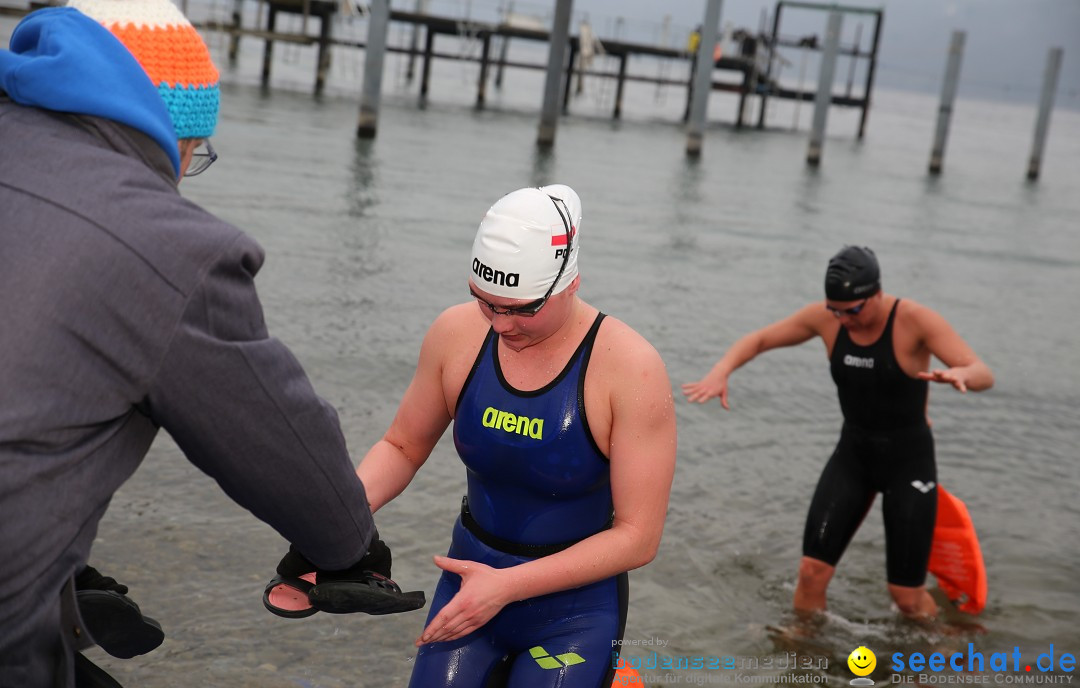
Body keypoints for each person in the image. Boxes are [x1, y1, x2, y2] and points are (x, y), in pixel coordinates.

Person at [0, 0, 419, 685]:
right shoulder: (165, 244)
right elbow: (274, 431)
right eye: (196, 155)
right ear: (171, 132)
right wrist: (347, 545)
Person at [355, 185, 677, 686]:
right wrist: (331, 523)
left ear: (569, 282)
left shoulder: (629, 369)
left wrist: (507, 586)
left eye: (522, 309)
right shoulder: (456, 335)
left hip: (575, 613)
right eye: (486, 303)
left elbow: (639, 537)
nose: (502, 325)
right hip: (469, 583)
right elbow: (401, 447)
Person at [682, 246, 993, 620]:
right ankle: (802, 653)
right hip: (854, 456)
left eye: (854, 310)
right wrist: (722, 370)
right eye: (836, 311)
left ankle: (941, 652)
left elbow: (982, 373)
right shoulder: (826, 319)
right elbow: (761, 339)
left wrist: (962, 375)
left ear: (876, 293)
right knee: (811, 573)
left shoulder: (914, 320)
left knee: (906, 597)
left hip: (908, 462)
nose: (844, 320)